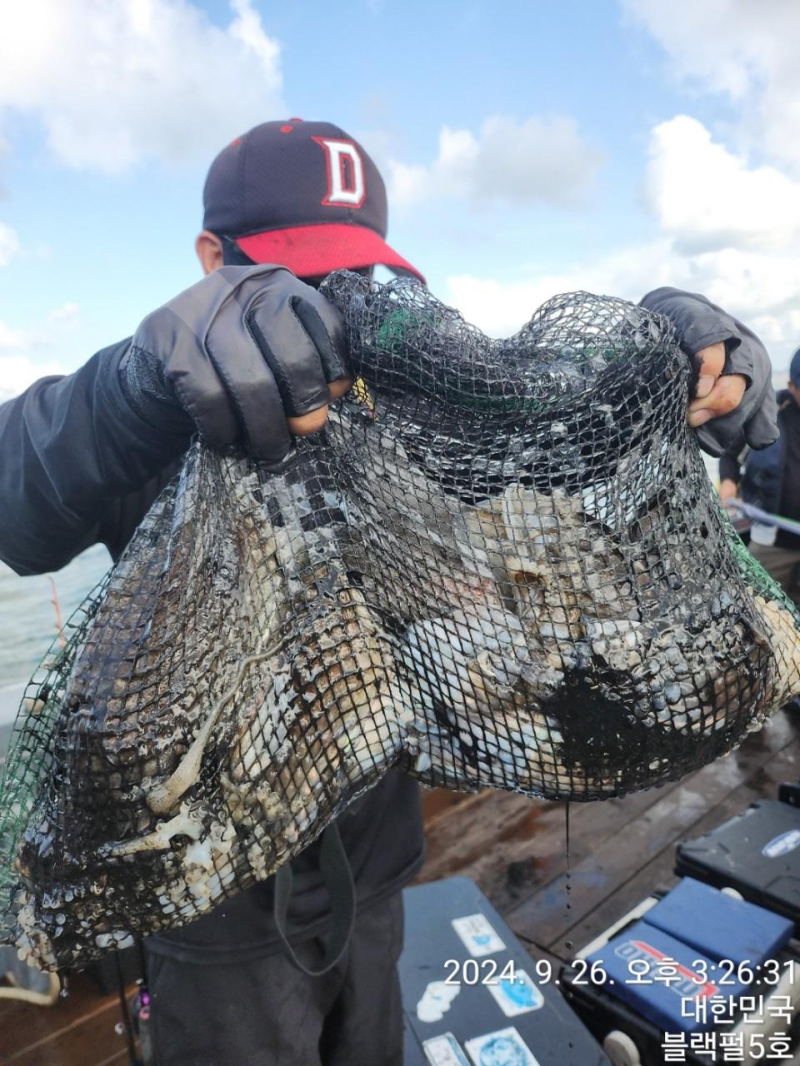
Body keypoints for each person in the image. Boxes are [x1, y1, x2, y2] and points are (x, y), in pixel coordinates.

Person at [0, 118, 779, 1066]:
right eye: (299, 275)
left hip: (375, 869)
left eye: (353, 276)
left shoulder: (404, 413)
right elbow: (19, 500)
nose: (337, 306)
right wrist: (126, 388)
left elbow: (548, 443)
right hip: (213, 906)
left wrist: (664, 358)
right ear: (214, 258)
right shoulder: (161, 394)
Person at [719, 347, 800, 604]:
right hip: (773, 539)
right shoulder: (768, 410)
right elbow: (730, 453)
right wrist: (729, 483)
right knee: (755, 602)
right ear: (792, 386)